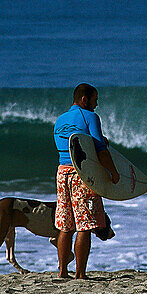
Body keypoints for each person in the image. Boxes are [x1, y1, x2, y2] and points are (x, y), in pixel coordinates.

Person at [52, 83, 119, 279]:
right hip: (81, 174)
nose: (96, 104)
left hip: (61, 173)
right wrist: (113, 173)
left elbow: (68, 146)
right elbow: (100, 151)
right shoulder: (90, 117)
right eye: (95, 100)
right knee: (85, 224)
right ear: (84, 99)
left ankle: (62, 271)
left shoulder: (60, 120)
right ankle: (80, 273)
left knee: (66, 225)